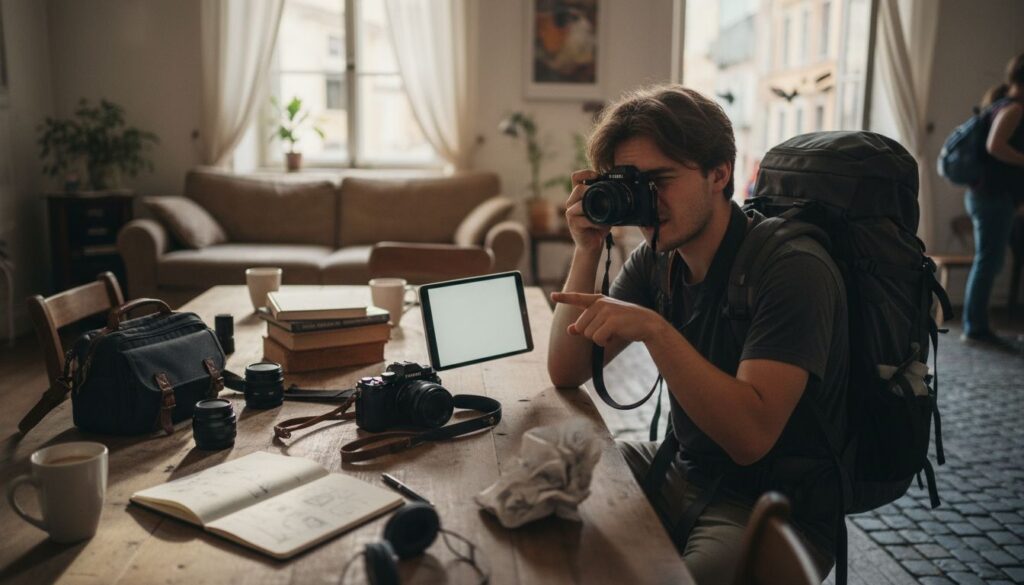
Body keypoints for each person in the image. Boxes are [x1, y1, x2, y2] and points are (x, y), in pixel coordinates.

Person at [547, 85, 847, 584]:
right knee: (548, 488)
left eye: (660, 180)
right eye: (631, 183)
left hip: (773, 505)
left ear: (719, 173)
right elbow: (567, 369)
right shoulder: (658, 258)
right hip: (684, 466)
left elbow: (750, 439)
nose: (645, 201)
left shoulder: (791, 268)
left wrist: (656, 332)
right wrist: (587, 248)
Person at [962, 52, 1024, 348]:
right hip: (992, 198)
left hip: (985, 195)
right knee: (989, 262)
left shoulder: (999, 104)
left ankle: (976, 325)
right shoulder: (1013, 109)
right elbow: (995, 146)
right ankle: (975, 327)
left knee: (988, 261)